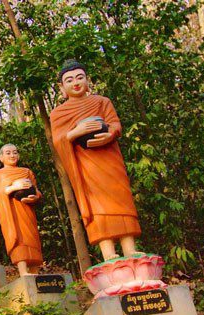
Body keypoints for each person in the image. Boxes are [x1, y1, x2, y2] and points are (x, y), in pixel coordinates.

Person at [50, 60, 141, 261]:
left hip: (110, 159)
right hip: (86, 165)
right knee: (97, 206)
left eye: (80, 77)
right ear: (62, 87)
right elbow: (59, 140)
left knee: (121, 198)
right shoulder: (58, 113)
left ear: (87, 80)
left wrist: (110, 134)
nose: (75, 83)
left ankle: (130, 249)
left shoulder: (102, 102)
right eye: (69, 80)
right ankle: (109, 254)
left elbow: (115, 123)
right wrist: (76, 132)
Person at [0, 144, 43, 276]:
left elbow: (36, 191)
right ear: (1, 157)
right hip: (11, 212)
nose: (12, 155)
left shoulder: (27, 171)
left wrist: (34, 197)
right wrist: (14, 187)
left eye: (15, 152)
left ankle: (35, 271)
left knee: (32, 238)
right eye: (8, 153)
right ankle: (23, 270)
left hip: (27, 209)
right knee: (18, 237)